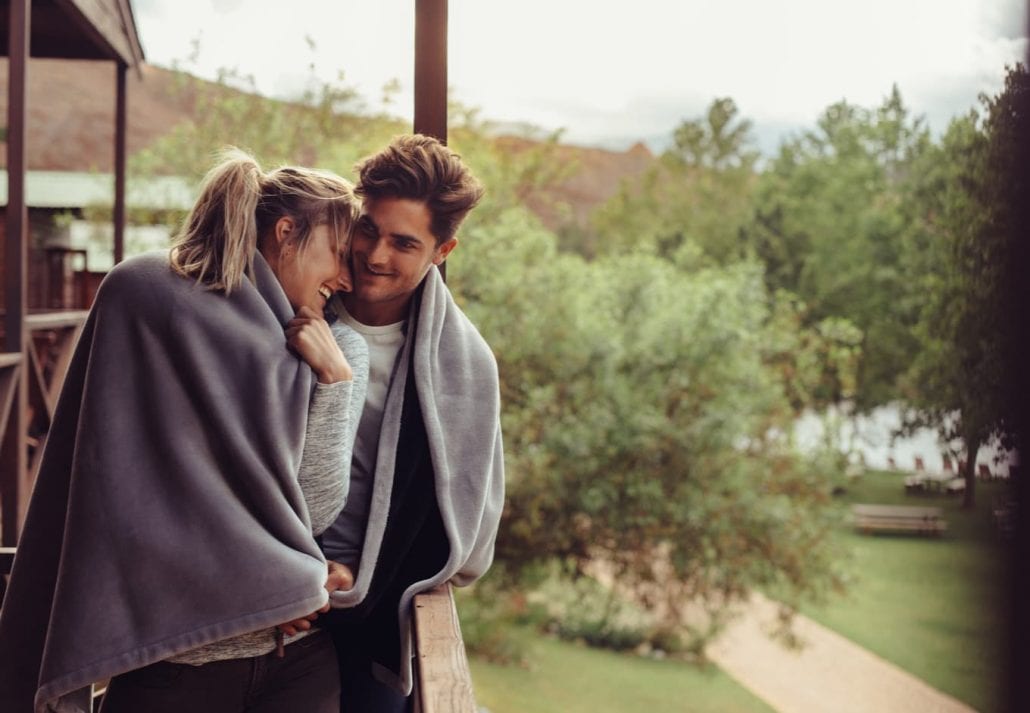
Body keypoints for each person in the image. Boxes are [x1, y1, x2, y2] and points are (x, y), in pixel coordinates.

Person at [0, 148, 368, 713]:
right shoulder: (143, 296)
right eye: (339, 254)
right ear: (288, 231)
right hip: (176, 669)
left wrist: (334, 382)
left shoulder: (336, 347)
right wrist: (269, 590)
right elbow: (119, 496)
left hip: (299, 663)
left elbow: (314, 510)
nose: (344, 279)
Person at [318, 134, 505, 712]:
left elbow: (472, 530)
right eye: (368, 229)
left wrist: (375, 572)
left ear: (441, 251)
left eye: (404, 243)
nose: (375, 255)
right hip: (265, 582)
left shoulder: (467, 364)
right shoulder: (289, 312)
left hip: (373, 603)